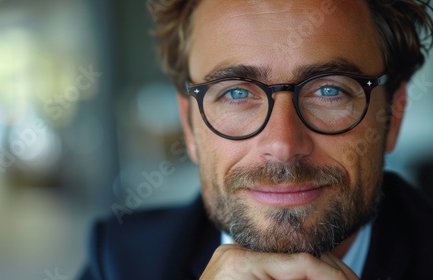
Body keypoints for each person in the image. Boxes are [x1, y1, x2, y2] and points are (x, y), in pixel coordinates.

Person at [79, 0, 433, 279]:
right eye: (235, 94)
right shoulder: (121, 260)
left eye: (329, 90)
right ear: (189, 125)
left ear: (393, 114)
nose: (282, 145)